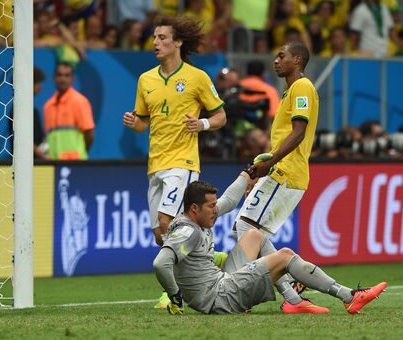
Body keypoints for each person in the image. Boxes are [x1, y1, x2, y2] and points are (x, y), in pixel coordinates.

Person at [153, 179, 387, 315]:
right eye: (211, 206)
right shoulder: (189, 231)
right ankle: (348, 297)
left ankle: (292, 301)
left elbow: (229, 202)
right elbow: (161, 263)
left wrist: (248, 173)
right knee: (284, 256)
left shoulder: (193, 221)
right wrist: (174, 296)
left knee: (255, 235)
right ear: (194, 208)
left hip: (219, 286)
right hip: (219, 297)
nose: (216, 210)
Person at [122, 15, 227, 308]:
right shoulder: (146, 80)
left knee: (169, 224)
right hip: (155, 164)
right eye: (154, 38)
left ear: (178, 42)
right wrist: (135, 122)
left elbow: (221, 116)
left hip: (183, 161)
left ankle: (173, 293)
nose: (156, 42)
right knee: (161, 236)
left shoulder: (197, 77)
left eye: (162, 38)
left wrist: (202, 124)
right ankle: (210, 254)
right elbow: (144, 122)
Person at [232, 41, 328, 314]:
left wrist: (271, 163)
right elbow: (282, 139)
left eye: (281, 55)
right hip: (279, 170)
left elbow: (298, 133)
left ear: (297, 60)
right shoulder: (288, 92)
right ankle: (290, 289)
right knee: (249, 229)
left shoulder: (302, 88)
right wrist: (261, 165)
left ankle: (249, 294)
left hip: (287, 172)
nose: (275, 60)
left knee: (246, 226)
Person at [43, 62, 95, 160]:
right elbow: (49, 137)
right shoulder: (48, 106)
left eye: (67, 75)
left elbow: (89, 135)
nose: (63, 79)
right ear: (54, 78)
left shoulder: (80, 101)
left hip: (76, 164)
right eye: (59, 75)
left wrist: (79, 154)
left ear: (73, 79)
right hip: (53, 164)